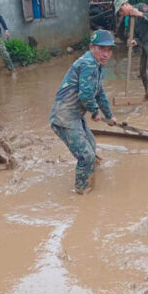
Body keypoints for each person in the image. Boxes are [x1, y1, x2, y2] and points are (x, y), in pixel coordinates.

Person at [49, 30, 118, 194]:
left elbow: (99, 93)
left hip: (75, 115)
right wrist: (95, 112)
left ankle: (91, 177)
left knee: (91, 144)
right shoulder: (88, 64)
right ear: (92, 48)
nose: (106, 54)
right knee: (86, 156)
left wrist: (109, 116)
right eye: (102, 49)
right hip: (64, 117)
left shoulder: (98, 66)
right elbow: (86, 95)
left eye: (109, 50)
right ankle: (82, 192)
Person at [113, 0, 148, 102]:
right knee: (142, 71)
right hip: (145, 46)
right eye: (119, 12)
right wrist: (134, 41)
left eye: (121, 10)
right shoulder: (128, 20)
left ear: (126, 4)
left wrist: (140, 14)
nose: (121, 13)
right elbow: (135, 36)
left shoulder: (141, 7)